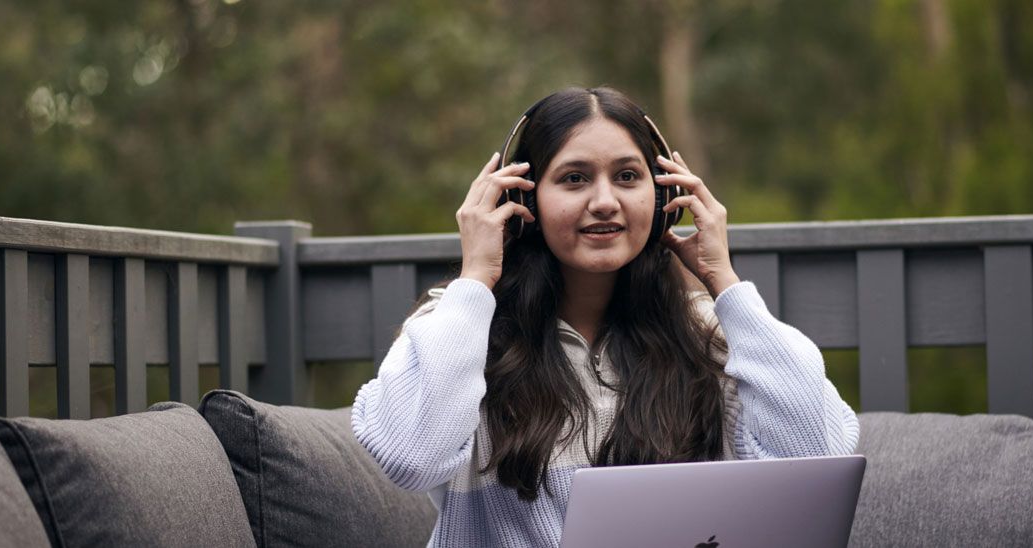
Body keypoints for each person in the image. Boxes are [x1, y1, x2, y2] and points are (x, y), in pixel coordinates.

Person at [351, 86, 858, 547]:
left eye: (628, 177)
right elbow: (409, 457)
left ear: (663, 199)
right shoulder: (458, 325)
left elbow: (818, 455)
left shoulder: (707, 332)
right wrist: (476, 277)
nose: (604, 202)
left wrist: (725, 284)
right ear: (519, 199)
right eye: (574, 179)